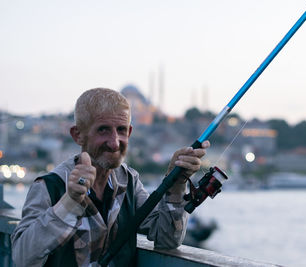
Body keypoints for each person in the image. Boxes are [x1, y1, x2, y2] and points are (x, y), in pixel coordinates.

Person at [11, 88, 210, 266]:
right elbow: (22, 257)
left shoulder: (129, 181)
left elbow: (168, 240)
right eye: (103, 130)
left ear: (130, 132)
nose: (115, 143)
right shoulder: (49, 186)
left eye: (121, 130)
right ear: (78, 135)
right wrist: (69, 203)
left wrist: (176, 184)